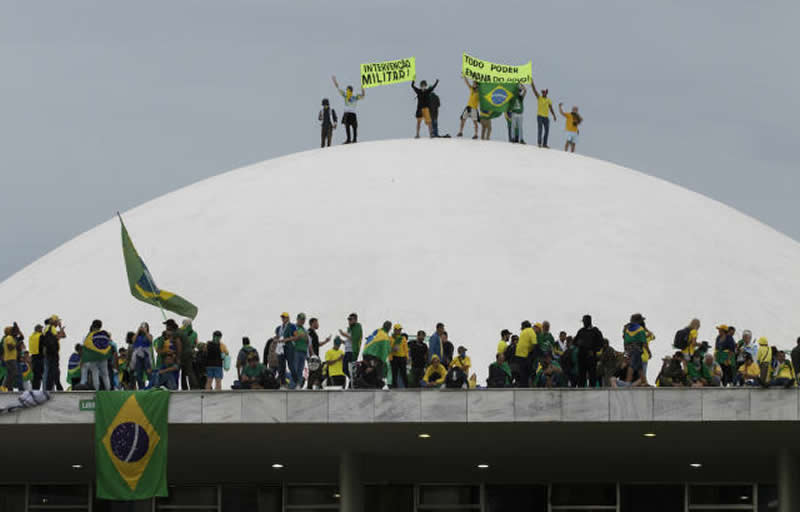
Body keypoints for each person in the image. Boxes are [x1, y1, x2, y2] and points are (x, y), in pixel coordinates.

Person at [80, 320, 112, 391]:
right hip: (103, 357)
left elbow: (86, 346)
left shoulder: (90, 335)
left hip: (93, 357)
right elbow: (110, 343)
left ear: (93, 326)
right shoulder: (105, 334)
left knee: (95, 373)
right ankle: (108, 390)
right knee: (105, 374)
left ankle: (96, 390)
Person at [331, 76, 364, 144]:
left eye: (349, 90)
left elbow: (363, 96)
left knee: (354, 126)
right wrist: (335, 82)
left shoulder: (355, 96)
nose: (348, 91)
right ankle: (348, 139)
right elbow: (338, 89)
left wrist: (363, 88)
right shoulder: (345, 95)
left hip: (352, 113)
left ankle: (354, 139)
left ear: (351, 90)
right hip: (346, 113)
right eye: (347, 90)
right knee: (347, 126)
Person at [574, 315, 603, 387]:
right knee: (581, 376)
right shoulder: (581, 331)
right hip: (581, 356)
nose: (583, 323)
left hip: (591, 357)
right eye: (583, 321)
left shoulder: (596, 331)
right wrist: (578, 343)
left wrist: (594, 351)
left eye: (584, 321)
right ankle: (580, 390)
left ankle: (592, 391)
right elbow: (574, 342)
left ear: (589, 321)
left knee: (592, 375)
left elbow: (601, 343)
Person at [530, 79, 557, 148]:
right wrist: (532, 83)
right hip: (539, 116)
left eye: (545, 92)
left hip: (546, 117)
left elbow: (551, 108)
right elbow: (534, 91)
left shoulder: (548, 100)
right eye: (543, 92)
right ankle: (539, 143)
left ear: (546, 93)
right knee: (540, 129)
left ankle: (544, 144)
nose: (544, 93)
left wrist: (554, 115)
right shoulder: (539, 98)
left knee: (547, 130)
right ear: (542, 93)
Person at [42, 315, 66, 391]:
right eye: (58, 321)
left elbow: (63, 336)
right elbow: (59, 336)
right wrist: (60, 330)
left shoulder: (49, 328)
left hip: (50, 352)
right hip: (52, 352)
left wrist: (60, 329)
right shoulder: (51, 328)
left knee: (54, 370)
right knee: (51, 370)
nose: (58, 322)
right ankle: (50, 388)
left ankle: (56, 386)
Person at [622, 314, 648, 386]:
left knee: (639, 368)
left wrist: (626, 350)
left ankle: (644, 382)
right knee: (631, 366)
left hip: (629, 349)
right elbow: (644, 342)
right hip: (637, 349)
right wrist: (648, 351)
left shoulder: (627, 328)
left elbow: (625, 340)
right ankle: (627, 383)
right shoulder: (640, 329)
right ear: (638, 320)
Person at [338, 313, 363, 385]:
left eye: (350, 319)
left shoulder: (357, 326)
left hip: (352, 351)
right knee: (345, 369)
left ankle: (354, 380)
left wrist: (344, 334)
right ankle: (353, 380)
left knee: (348, 368)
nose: (349, 321)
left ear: (355, 320)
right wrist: (342, 341)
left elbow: (355, 339)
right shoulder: (350, 328)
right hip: (347, 350)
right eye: (348, 319)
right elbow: (348, 341)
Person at [130, 322, 154, 389]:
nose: (143, 328)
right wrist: (138, 331)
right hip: (138, 355)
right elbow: (133, 340)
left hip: (146, 355)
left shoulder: (149, 335)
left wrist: (146, 332)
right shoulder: (137, 336)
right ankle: (141, 387)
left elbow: (150, 340)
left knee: (148, 371)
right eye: (142, 327)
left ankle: (151, 386)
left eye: (145, 327)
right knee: (139, 372)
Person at [513, 321, 537, 387]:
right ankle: (528, 385)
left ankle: (523, 386)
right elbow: (534, 344)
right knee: (528, 372)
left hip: (518, 356)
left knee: (522, 374)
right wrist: (532, 355)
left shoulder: (522, 332)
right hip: (525, 356)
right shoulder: (531, 331)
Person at [178, 319, 199, 390]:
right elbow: (196, 343)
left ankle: (184, 387)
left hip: (182, 353)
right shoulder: (194, 333)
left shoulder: (181, 332)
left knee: (183, 371)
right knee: (190, 370)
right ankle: (193, 386)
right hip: (190, 353)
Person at [389, 324, 409, 388]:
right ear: (394, 330)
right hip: (394, 358)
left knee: (404, 374)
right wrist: (390, 357)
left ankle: (407, 387)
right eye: (398, 330)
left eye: (400, 330)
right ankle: (394, 387)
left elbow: (406, 349)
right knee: (394, 374)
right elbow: (389, 349)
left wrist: (407, 357)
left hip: (402, 358)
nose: (399, 331)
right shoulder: (390, 338)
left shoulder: (403, 338)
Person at [2, 325, 21, 391]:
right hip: (10, 358)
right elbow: (10, 347)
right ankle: (5, 386)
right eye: (12, 330)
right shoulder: (9, 337)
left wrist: (18, 329)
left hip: (10, 358)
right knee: (13, 373)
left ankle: (7, 387)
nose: (13, 331)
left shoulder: (9, 337)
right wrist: (16, 344)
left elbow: (21, 336)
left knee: (10, 373)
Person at [28, 324, 44, 390]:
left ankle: (35, 389)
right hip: (40, 357)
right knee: (43, 375)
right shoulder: (41, 336)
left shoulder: (31, 336)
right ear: (38, 329)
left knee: (35, 376)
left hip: (33, 357)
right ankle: (45, 389)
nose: (42, 330)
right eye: (41, 329)